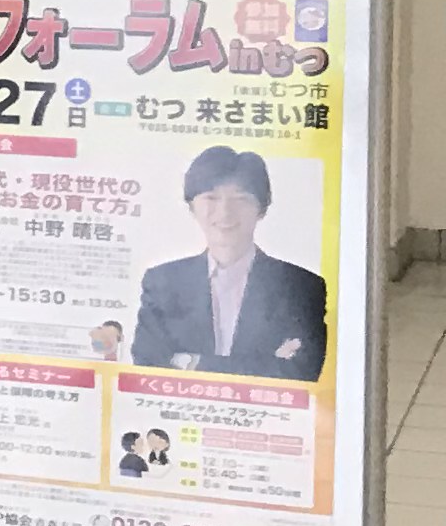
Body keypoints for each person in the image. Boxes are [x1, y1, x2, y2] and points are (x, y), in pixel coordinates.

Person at [133, 146, 327, 383]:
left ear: (262, 208)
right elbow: (148, 365)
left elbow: (300, 372)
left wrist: (191, 362)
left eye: (241, 199)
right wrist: (264, 364)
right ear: (192, 206)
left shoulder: (302, 287)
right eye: (211, 198)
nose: (225, 212)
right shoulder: (163, 282)